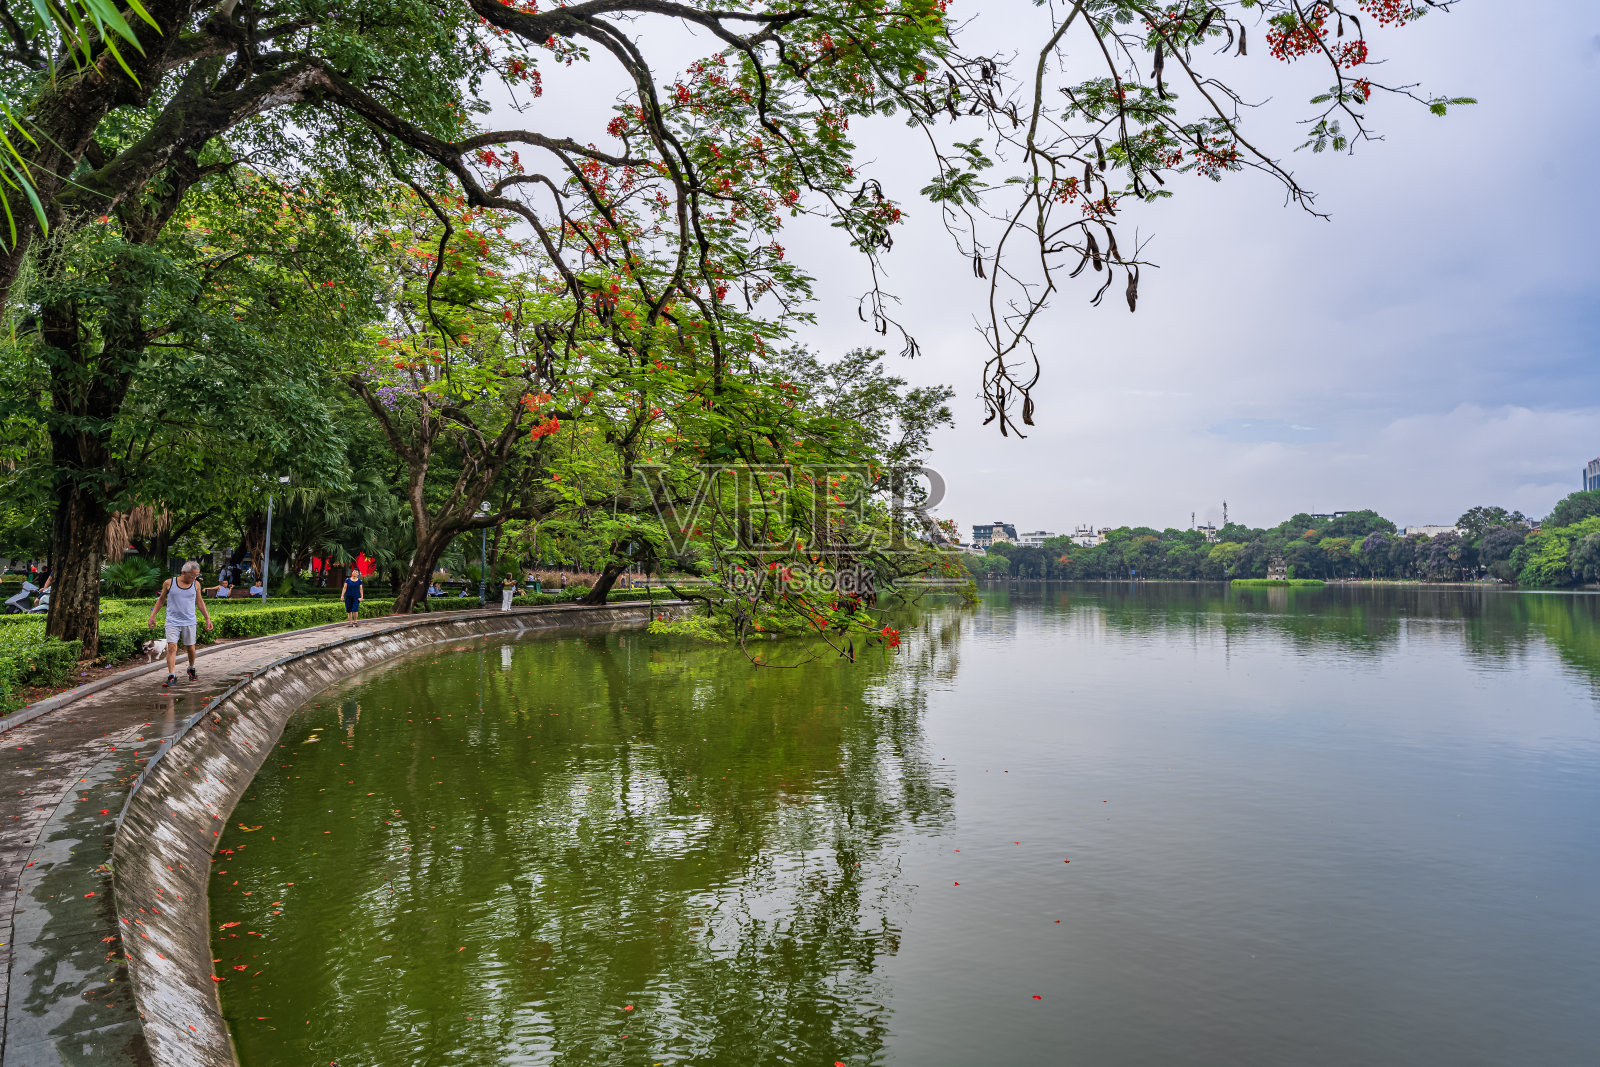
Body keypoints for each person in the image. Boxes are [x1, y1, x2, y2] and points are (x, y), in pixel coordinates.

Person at [147, 561, 213, 687]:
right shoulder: (169, 583)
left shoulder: (196, 585)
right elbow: (161, 600)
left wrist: (207, 619)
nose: (195, 578)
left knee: (190, 648)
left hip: (190, 621)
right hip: (172, 621)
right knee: (172, 647)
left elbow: (200, 602)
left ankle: (191, 668)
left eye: (196, 576)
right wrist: (152, 616)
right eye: (193, 575)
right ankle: (172, 676)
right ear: (183, 573)